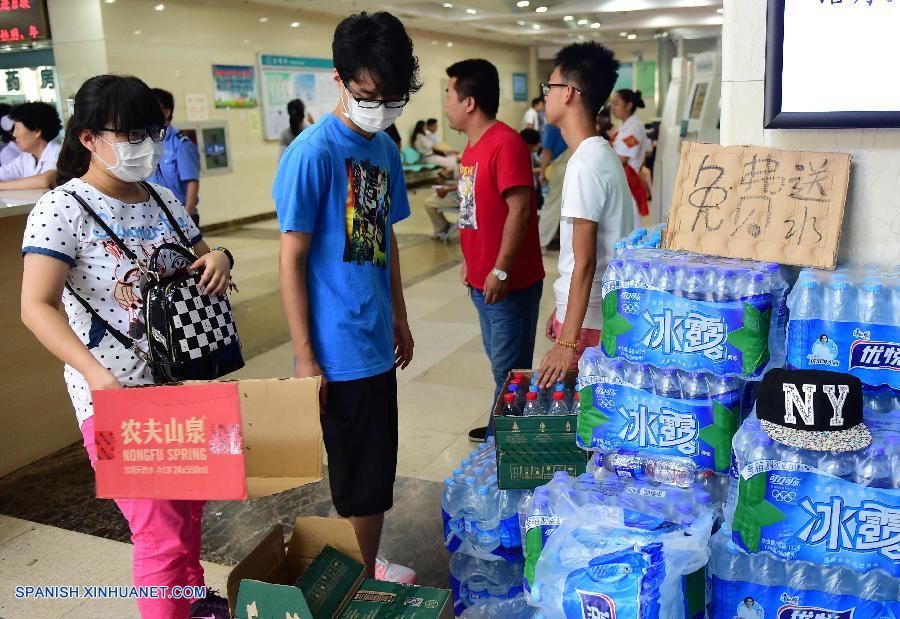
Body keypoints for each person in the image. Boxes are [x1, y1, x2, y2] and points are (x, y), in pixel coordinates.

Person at [19, 75, 233, 619]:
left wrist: (221, 258)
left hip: (184, 389)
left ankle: (190, 604)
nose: (145, 145)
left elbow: (200, 257)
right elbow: (36, 305)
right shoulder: (60, 208)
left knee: (186, 514)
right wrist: (96, 376)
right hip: (116, 402)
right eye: (131, 133)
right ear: (88, 138)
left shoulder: (163, 199)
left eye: (152, 132)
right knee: (157, 534)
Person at [273, 11, 418, 583]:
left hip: (375, 336)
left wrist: (400, 315)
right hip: (337, 348)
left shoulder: (382, 149)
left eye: (392, 97)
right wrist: (306, 357)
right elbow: (292, 258)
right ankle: (358, 582)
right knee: (359, 473)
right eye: (369, 95)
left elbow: (385, 240)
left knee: (377, 466)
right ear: (339, 79)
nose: (380, 108)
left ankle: (365, 564)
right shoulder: (313, 153)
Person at [444, 58, 544, 442]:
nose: (445, 104)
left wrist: (500, 270)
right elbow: (474, 215)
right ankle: (504, 430)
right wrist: (470, 263)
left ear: (469, 102)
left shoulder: (505, 143)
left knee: (508, 371)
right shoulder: (472, 147)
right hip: (481, 281)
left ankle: (500, 443)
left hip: (508, 284)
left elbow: (520, 209)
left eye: (449, 95)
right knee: (501, 366)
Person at [536, 42, 635, 386]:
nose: (546, 96)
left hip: (588, 324)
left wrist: (567, 342)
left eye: (550, 87)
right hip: (591, 314)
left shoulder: (585, 165)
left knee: (580, 425)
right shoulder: (600, 153)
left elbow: (586, 262)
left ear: (569, 94)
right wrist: (562, 306)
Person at [147, 88, 202, 225]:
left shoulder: (181, 144)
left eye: (153, 108)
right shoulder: (146, 142)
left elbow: (192, 182)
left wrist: (187, 219)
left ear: (166, 112)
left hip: (179, 216)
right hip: (154, 217)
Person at [0, 101, 62, 189]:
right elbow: (3, 173)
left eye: (17, 128)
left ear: (37, 131)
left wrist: (2, 186)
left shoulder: (58, 152)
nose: (14, 134)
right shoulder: (26, 157)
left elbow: (45, 180)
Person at [609, 88, 649, 218]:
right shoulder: (625, 126)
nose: (612, 108)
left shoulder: (634, 128)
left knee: (631, 222)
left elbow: (622, 158)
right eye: (612, 104)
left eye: (616, 104)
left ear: (629, 106)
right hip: (622, 178)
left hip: (629, 179)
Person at [536, 123, 570, 251]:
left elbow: (546, 151)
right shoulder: (576, 116)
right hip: (579, 167)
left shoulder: (553, 125)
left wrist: (542, 172)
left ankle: (541, 242)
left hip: (560, 168)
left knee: (551, 206)